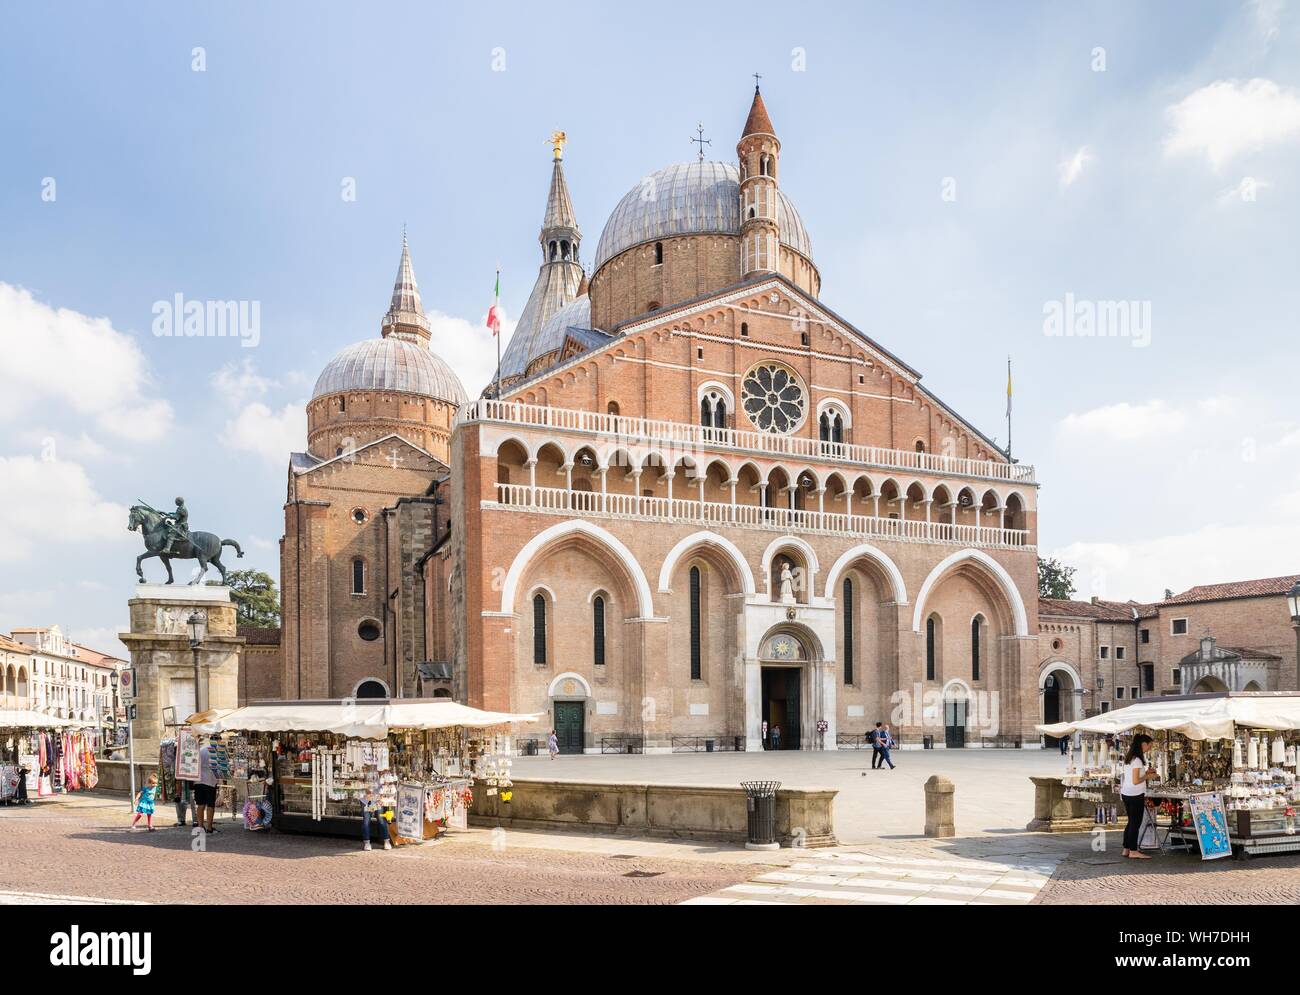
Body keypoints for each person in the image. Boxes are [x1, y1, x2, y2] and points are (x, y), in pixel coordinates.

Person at [1121, 733, 1159, 859]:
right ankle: (1133, 851)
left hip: (1127, 793)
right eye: (1149, 745)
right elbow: (1136, 780)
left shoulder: (1129, 758)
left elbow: (1134, 776)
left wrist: (1146, 772)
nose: (1149, 748)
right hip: (1135, 794)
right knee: (1135, 823)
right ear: (1143, 744)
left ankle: (1126, 848)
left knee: (1131, 822)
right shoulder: (1137, 760)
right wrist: (1149, 776)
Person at [194, 738, 219, 834]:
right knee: (210, 805)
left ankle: (200, 826)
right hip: (210, 781)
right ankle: (209, 827)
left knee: (200, 804)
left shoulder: (201, 750)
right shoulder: (216, 752)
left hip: (199, 780)